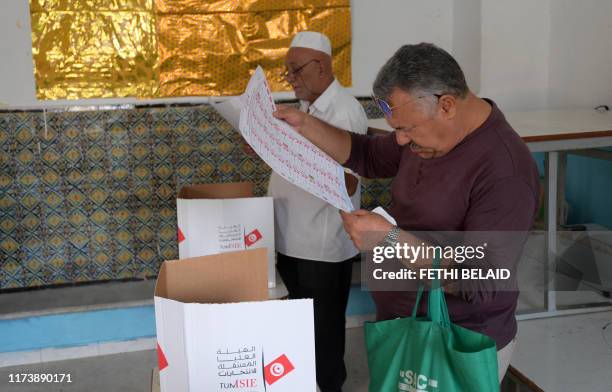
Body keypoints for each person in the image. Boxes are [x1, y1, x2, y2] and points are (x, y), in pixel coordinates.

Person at [273, 42, 540, 383]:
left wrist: (391, 239)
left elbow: (483, 279)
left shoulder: (505, 171)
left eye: (406, 129)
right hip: (406, 327)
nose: (399, 141)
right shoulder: (424, 134)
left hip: (456, 340)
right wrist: (304, 125)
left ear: (446, 105)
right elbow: (367, 155)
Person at [269, 31, 368, 392]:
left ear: (322, 66)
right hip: (293, 238)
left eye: (296, 70)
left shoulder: (345, 111)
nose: (291, 79)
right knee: (302, 330)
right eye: (288, 72)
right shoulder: (308, 108)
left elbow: (349, 183)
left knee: (324, 335)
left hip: (322, 248)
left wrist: (296, 155)